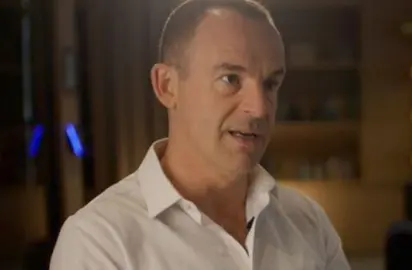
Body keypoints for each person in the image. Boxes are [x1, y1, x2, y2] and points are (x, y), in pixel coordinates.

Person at [49, 0, 350, 269]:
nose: (258, 109)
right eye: (230, 79)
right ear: (167, 85)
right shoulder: (100, 241)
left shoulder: (307, 221)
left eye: (271, 84)